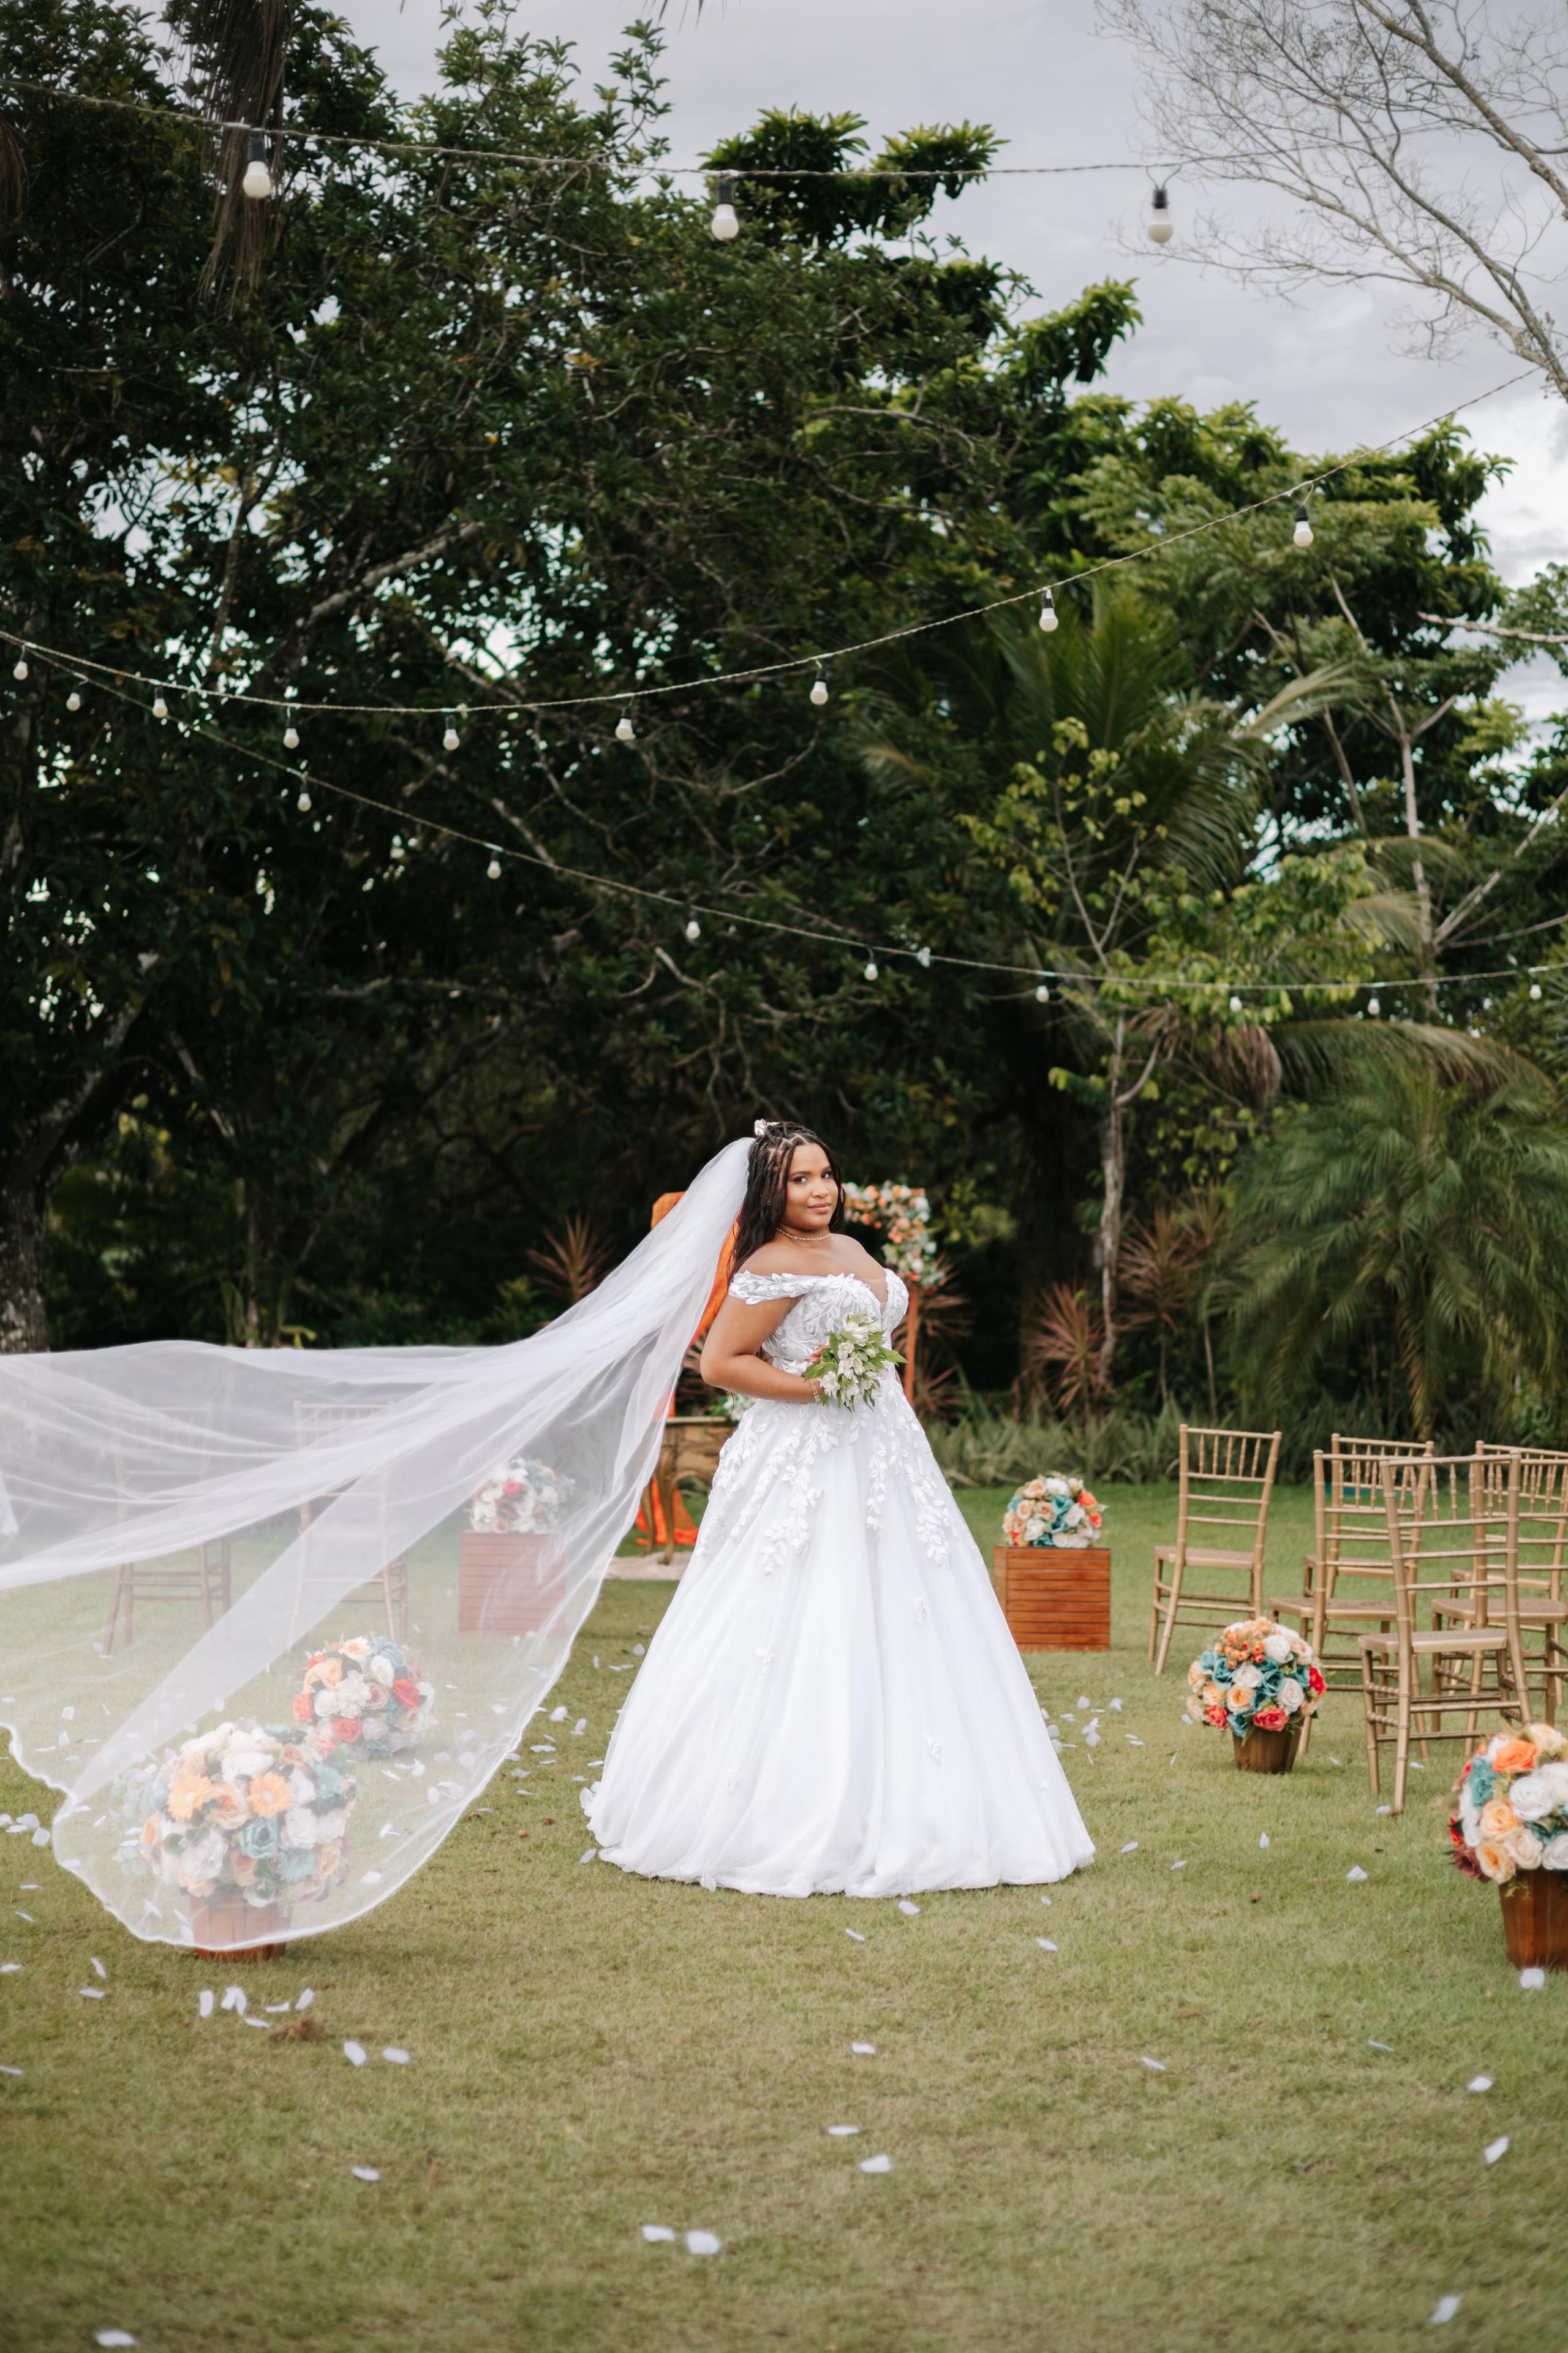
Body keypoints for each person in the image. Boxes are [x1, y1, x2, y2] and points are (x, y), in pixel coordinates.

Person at [587, 1121, 1093, 1897]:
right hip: (806, 1459)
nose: (819, 1189)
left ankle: (935, 1798)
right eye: (799, 1179)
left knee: (915, 1604)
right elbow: (724, 1362)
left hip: (886, 1451)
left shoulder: (853, 1251)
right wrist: (820, 1388)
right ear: (770, 1191)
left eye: (826, 1174)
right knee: (804, 1606)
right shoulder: (769, 1263)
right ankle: (780, 1804)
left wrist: (863, 1384)